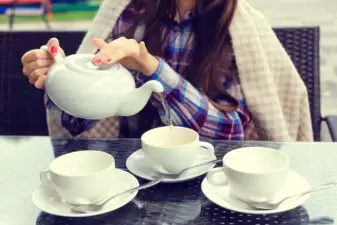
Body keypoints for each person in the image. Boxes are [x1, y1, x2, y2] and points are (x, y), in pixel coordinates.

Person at [21, 0, 313, 141]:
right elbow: (77, 123)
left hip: (213, 181)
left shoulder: (240, 28)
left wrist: (154, 69)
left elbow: (232, 133)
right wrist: (63, 78)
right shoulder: (124, 13)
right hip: (130, 177)